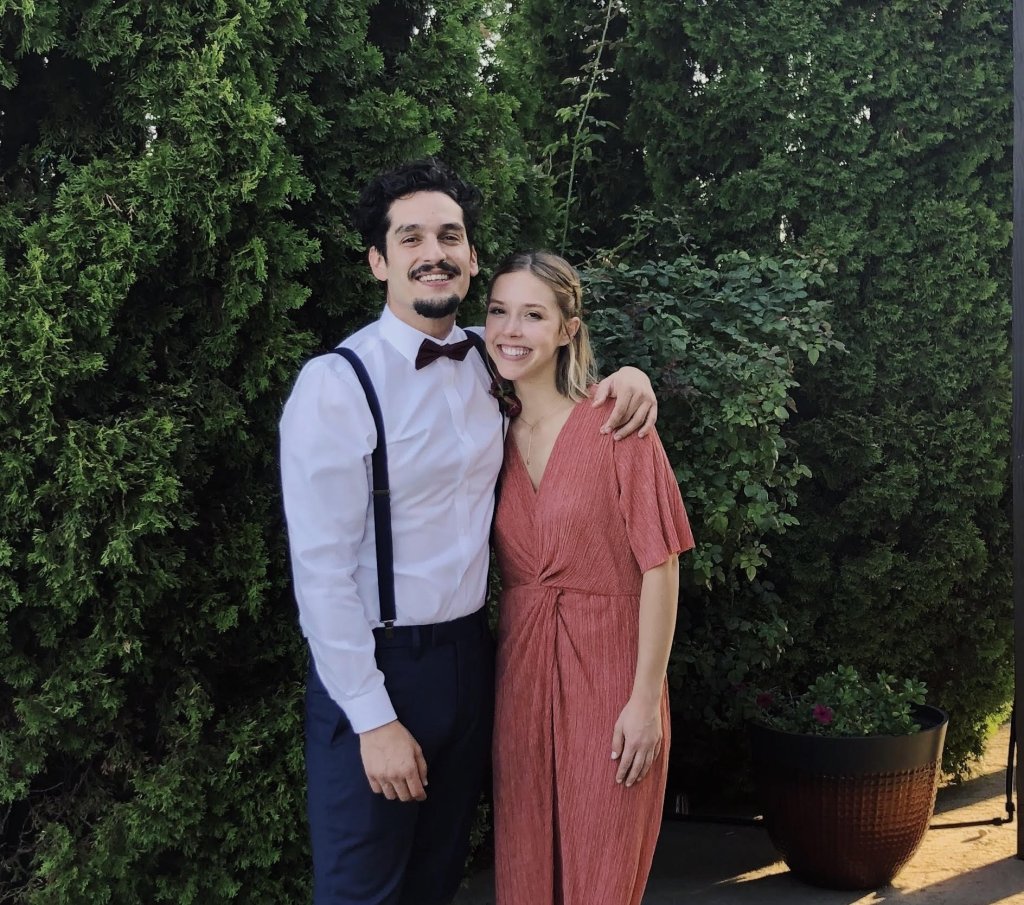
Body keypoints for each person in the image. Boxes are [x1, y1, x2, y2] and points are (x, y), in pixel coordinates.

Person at [278, 159, 658, 905]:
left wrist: (629, 377)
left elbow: (556, 354)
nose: (435, 252)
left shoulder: (495, 353)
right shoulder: (336, 385)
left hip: (476, 659)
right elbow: (320, 574)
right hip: (379, 668)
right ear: (379, 262)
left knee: (438, 881)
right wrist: (372, 718)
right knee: (361, 893)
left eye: (450, 236)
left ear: (472, 257)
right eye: (411, 237)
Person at [484, 251, 694, 905]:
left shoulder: (618, 423)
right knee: (525, 873)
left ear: (567, 330)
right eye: (498, 311)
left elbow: (661, 565)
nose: (511, 329)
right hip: (521, 681)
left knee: (602, 878)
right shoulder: (487, 432)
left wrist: (644, 701)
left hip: (612, 683)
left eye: (533, 314)